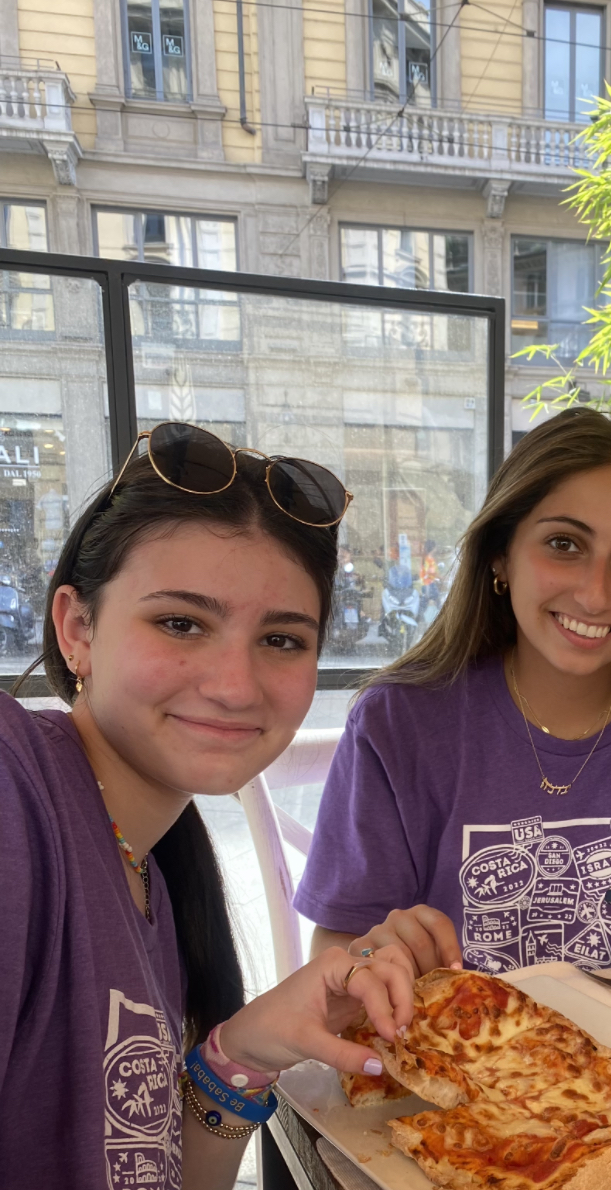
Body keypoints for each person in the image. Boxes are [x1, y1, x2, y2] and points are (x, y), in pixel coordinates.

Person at [1, 422, 414, 1187]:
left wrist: (244, 1051)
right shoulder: (17, 789)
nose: (234, 685)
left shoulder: (154, 871)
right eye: (181, 623)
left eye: (282, 640)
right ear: (77, 629)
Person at [297, 408, 611, 976]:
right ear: (500, 556)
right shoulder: (399, 722)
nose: (594, 595)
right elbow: (333, 954)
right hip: (463, 1046)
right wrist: (371, 957)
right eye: (564, 544)